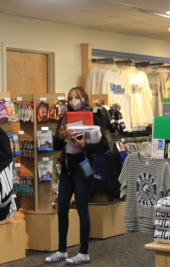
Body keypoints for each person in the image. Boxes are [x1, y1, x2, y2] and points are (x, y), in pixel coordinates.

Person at [45, 86, 109, 265]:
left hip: (83, 168)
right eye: (70, 97)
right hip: (66, 169)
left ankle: (84, 252)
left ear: (84, 98)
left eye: (77, 97)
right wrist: (61, 136)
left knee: (82, 210)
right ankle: (62, 250)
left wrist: (85, 145)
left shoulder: (93, 118)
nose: (73, 100)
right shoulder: (64, 118)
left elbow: (104, 145)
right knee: (62, 210)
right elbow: (57, 145)